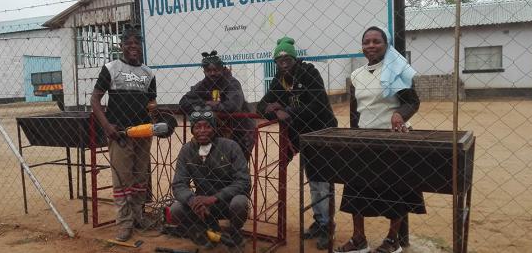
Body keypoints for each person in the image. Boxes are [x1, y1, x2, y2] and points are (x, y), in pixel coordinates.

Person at [335, 26, 422, 253]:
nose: (371, 46)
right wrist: (354, 135)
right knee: (356, 188)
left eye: (376, 41)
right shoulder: (356, 75)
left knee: (396, 188)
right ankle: (359, 239)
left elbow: (412, 102)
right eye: (366, 42)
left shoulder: (396, 69)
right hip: (365, 138)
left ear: (386, 44)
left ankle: (393, 240)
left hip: (394, 138)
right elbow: (356, 111)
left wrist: (399, 114)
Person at [257, 37, 338, 250]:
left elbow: (318, 105)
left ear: (295, 58)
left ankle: (328, 226)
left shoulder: (309, 73)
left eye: (287, 59)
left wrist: (288, 111)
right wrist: (274, 109)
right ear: (275, 63)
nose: (283, 63)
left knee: (323, 181)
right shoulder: (279, 80)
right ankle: (320, 221)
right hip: (303, 135)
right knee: (313, 180)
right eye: (279, 60)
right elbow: (261, 105)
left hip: (322, 132)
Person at [90, 26, 158, 242]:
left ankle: (138, 217)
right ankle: (124, 223)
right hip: (119, 133)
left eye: (137, 43)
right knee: (122, 180)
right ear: (121, 46)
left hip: (143, 132)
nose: (133, 47)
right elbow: (95, 100)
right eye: (128, 43)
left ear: (141, 46)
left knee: (140, 178)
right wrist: (107, 126)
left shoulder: (149, 73)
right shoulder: (111, 68)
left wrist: (154, 112)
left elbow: (151, 102)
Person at [170, 107, 251, 248]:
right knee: (176, 209)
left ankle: (234, 233)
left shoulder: (231, 146)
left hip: (225, 201)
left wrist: (215, 198)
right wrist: (192, 200)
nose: (202, 131)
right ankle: (201, 232)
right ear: (192, 130)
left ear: (214, 129)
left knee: (240, 202)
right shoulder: (187, 150)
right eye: (197, 127)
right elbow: (178, 184)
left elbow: (243, 181)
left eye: (207, 127)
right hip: (201, 205)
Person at [179, 51, 255, 160]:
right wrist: (206, 104)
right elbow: (184, 102)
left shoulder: (232, 83)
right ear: (204, 71)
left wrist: (213, 106)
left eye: (216, 70)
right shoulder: (203, 84)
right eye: (208, 70)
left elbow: (233, 106)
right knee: (214, 165)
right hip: (216, 133)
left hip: (241, 131)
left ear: (222, 69)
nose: (212, 73)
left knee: (238, 165)